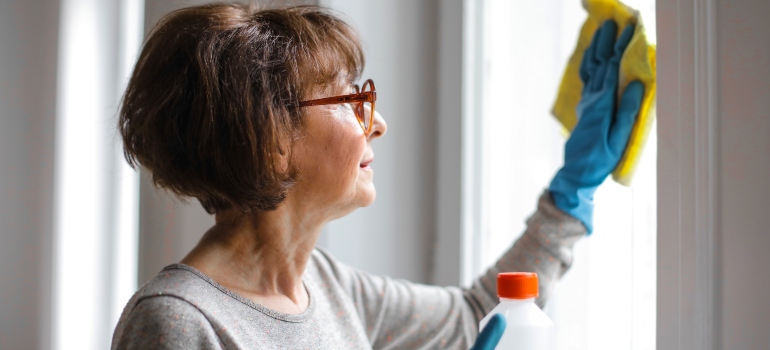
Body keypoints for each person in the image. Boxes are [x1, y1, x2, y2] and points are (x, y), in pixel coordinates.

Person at [111, 3, 642, 349]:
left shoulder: (328, 286)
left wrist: (573, 191)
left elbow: (475, 319)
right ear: (270, 139)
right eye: (351, 100)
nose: (379, 123)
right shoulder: (178, 325)